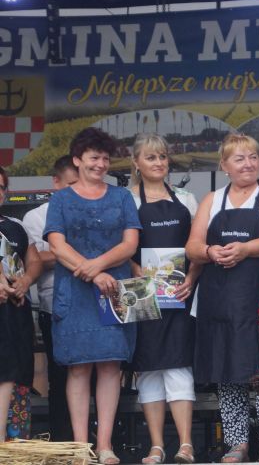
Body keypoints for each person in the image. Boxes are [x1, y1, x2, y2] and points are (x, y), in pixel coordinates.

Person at [186, 133, 259, 464]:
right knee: (226, 369)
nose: (248, 164)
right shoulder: (212, 200)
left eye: (253, 157)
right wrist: (210, 251)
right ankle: (237, 443)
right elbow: (192, 247)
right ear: (224, 165)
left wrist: (246, 249)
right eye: (239, 158)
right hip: (220, 300)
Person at [45, 127, 142, 465]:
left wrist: (98, 266)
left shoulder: (122, 197)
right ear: (77, 160)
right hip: (75, 291)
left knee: (111, 365)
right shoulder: (60, 199)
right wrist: (93, 273)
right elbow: (56, 245)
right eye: (93, 158)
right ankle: (80, 447)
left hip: (114, 289)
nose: (100, 164)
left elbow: (130, 244)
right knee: (78, 367)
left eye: (105, 159)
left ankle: (105, 445)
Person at [128, 134, 199, 465]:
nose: (158, 163)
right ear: (136, 163)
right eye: (151, 157)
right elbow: (123, 246)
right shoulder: (127, 200)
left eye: (162, 157)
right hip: (142, 292)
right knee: (149, 368)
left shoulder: (186, 198)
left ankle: (186, 445)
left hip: (179, 292)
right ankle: (156, 446)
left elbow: (198, 245)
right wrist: (137, 272)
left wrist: (191, 278)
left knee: (179, 365)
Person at [22, 155, 78, 442]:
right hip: (54, 305)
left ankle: (98, 440)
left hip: (93, 303)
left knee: (98, 375)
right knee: (59, 376)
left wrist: (59, 254)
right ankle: (62, 441)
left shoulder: (93, 209)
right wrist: (75, 254)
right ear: (56, 182)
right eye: (71, 184)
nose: (77, 190)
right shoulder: (35, 217)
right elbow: (34, 259)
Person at [0, 166, 44, 441]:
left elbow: (35, 260)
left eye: (0, 187)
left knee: (19, 374)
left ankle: (15, 444)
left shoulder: (15, 225)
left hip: (16, 314)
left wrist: (26, 280)